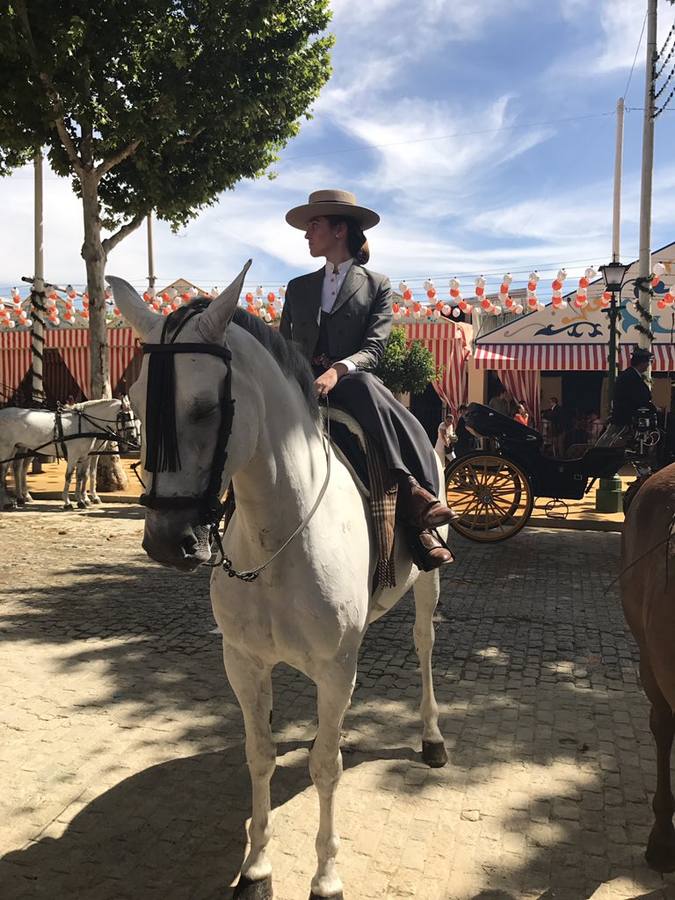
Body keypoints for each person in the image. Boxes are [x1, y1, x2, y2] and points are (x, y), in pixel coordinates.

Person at [280, 189, 455, 569]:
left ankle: (412, 497)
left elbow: (374, 348)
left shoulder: (376, 284)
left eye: (314, 225)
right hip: (300, 388)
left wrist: (336, 370)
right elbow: (284, 347)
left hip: (352, 384)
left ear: (340, 229)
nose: (307, 234)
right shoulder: (297, 287)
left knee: (363, 385)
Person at [597, 347, 655, 447]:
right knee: (610, 442)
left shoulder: (630, 375)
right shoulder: (631, 377)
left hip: (625, 416)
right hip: (625, 417)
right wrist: (652, 407)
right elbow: (639, 397)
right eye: (648, 362)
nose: (648, 365)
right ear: (642, 363)